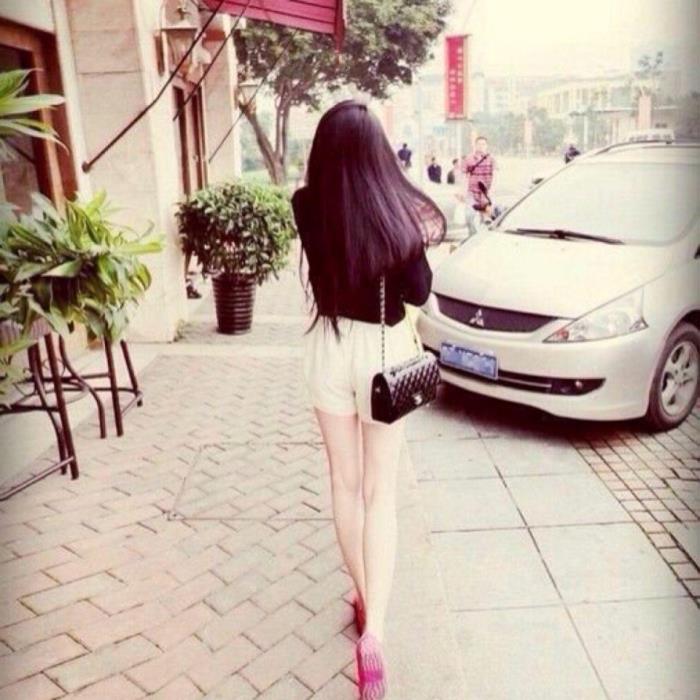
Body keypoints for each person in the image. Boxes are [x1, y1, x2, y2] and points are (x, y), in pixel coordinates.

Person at [291, 99, 446, 700]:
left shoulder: (306, 205)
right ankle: (374, 630)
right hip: (384, 354)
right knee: (381, 492)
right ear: (379, 152)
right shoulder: (396, 212)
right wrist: (412, 235)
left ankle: (362, 592)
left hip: (329, 349)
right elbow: (419, 292)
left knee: (344, 484)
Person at [464, 136, 495, 221]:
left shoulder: (491, 159)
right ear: (475, 145)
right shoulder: (469, 158)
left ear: (487, 146)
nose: (481, 146)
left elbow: (495, 175)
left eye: (483, 144)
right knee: (469, 215)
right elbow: (464, 176)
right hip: (472, 192)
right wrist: (462, 191)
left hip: (486, 192)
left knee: (486, 217)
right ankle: (472, 229)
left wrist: (492, 190)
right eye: (479, 144)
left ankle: (484, 228)